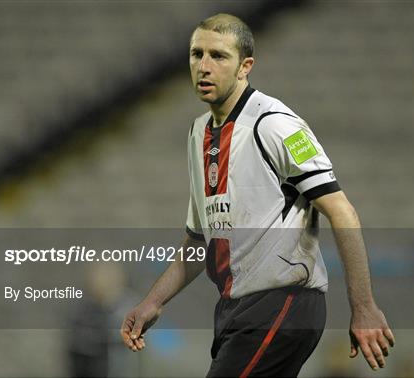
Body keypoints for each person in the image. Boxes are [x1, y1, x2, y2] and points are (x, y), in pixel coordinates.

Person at [121, 13, 395, 377]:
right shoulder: (197, 134)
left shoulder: (275, 123)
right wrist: (153, 302)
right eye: (196, 54)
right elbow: (202, 238)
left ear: (244, 66)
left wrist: (363, 306)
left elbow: (342, 212)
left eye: (218, 56)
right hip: (236, 309)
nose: (203, 66)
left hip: (283, 304)